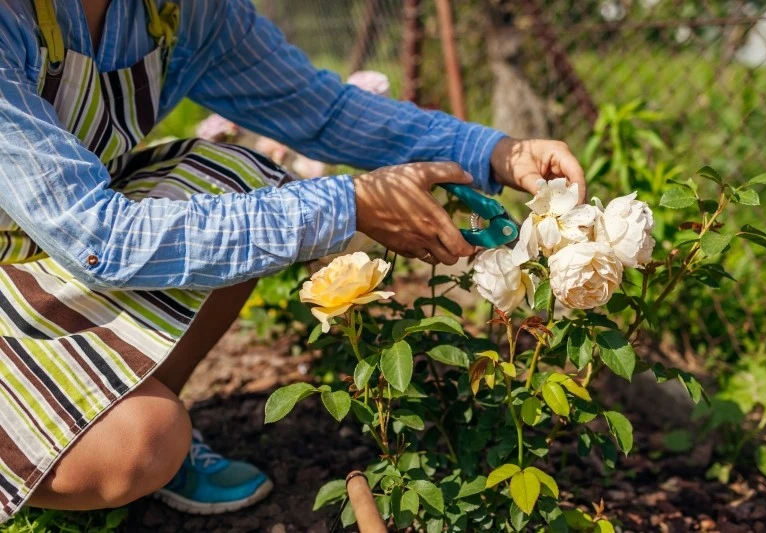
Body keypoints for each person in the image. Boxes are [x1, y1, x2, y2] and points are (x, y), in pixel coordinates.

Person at [0, 0, 586, 522]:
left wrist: (492, 152)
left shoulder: (174, 12)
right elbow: (102, 238)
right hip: (76, 242)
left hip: (49, 253)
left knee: (238, 183)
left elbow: (321, 111)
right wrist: (349, 204)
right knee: (142, 443)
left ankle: (90, 405)